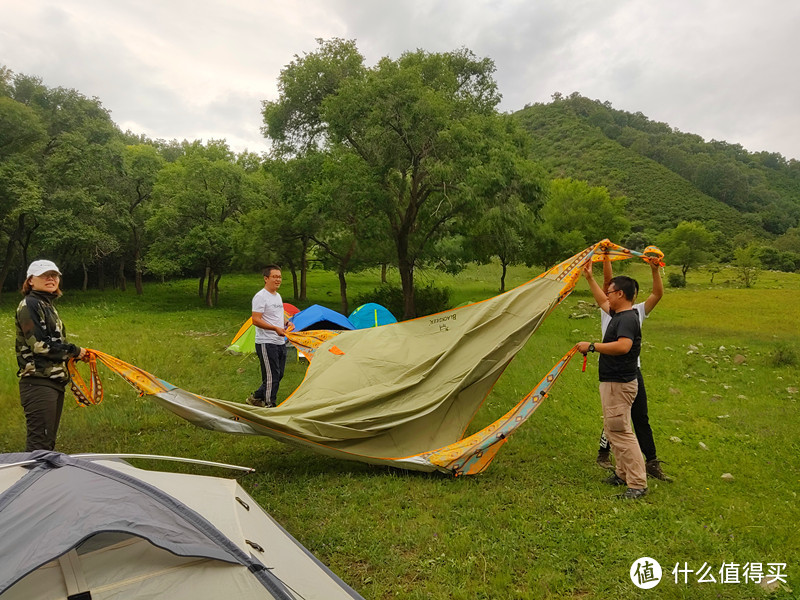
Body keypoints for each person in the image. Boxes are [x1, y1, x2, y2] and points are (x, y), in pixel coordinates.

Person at [592, 254, 671, 481]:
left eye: (612, 290)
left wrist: (655, 270)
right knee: (615, 418)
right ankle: (607, 457)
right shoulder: (609, 308)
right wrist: (606, 257)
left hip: (629, 371)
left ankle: (650, 463)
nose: (607, 291)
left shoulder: (635, 312)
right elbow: (608, 282)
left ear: (621, 294)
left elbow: (657, 294)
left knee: (636, 417)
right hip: (613, 371)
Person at [577, 273, 647, 500]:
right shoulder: (620, 313)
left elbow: (624, 346)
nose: (607, 296)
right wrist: (588, 277)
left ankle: (637, 483)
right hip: (612, 381)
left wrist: (593, 346)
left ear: (620, 294)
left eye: (610, 292)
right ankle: (622, 473)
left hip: (619, 383)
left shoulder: (627, 318)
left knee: (621, 431)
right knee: (613, 429)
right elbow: (601, 301)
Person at [15, 260, 86, 451]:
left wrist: (73, 355)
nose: (51, 279)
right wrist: (75, 351)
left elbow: (54, 342)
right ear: (30, 280)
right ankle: (32, 480)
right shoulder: (29, 304)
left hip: (53, 382)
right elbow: (39, 345)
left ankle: (44, 479)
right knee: (39, 446)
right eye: (45, 275)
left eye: (54, 275)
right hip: (38, 382)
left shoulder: (46, 304)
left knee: (48, 444)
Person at [246, 265, 287, 408]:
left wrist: (286, 323)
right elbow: (255, 320)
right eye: (275, 277)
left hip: (280, 341)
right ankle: (270, 405)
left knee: (279, 374)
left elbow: (278, 315)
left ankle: (256, 397)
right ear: (266, 278)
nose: (278, 280)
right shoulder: (260, 296)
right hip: (266, 342)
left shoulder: (277, 296)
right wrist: (275, 328)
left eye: (280, 277)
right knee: (272, 377)